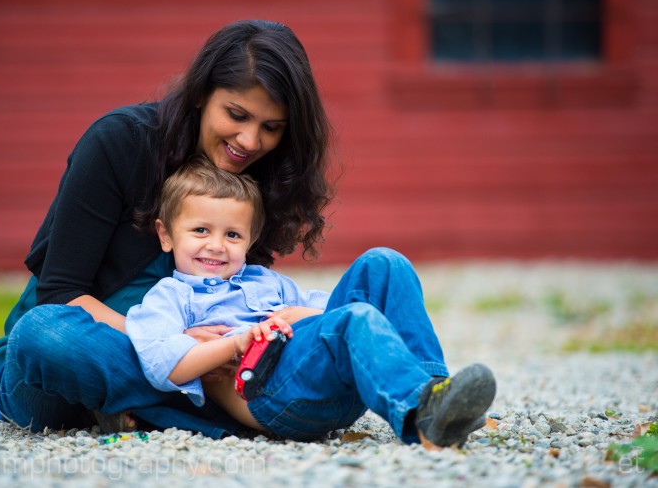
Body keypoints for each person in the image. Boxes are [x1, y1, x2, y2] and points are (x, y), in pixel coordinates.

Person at [0, 20, 337, 437]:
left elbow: (236, 295)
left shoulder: (258, 175)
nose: (249, 140)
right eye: (236, 115)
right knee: (41, 336)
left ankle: (142, 406)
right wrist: (176, 345)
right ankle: (191, 414)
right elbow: (61, 294)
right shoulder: (118, 142)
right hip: (75, 353)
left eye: (271, 127)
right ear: (203, 93)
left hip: (196, 361)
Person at [127, 156, 496, 447]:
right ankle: (422, 416)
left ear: (250, 240)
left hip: (331, 381)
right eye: (201, 230)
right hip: (272, 396)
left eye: (233, 234)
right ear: (166, 234)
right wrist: (233, 343)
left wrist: (303, 313)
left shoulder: (265, 281)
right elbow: (164, 366)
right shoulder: (170, 297)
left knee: (385, 262)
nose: (216, 245)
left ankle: (436, 393)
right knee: (355, 318)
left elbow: (329, 312)